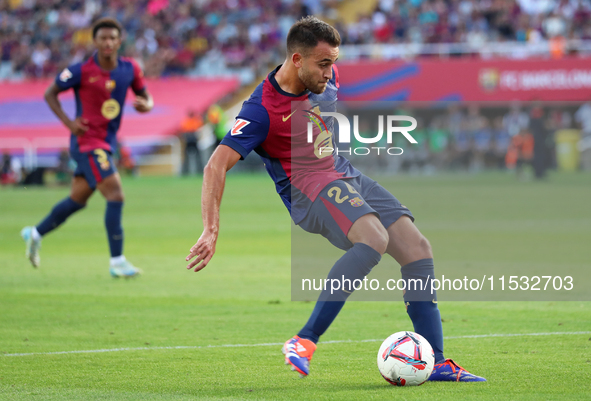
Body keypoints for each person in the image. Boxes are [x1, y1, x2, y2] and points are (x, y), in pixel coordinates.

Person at [185, 16, 485, 382]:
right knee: (374, 238)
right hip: (307, 190)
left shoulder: (326, 79)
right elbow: (215, 166)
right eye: (323, 64)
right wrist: (210, 228)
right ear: (297, 60)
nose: (330, 72)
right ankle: (304, 341)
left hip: (343, 173)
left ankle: (436, 361)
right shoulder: (261, 110)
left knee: (418, 249)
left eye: (334, 63)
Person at [20, 18, 153, 277]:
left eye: (112, 38)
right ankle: (117, 262)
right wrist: (69, 123)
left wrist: (146, 105)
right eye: (102, 38)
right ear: (95, 41)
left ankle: (34, 233)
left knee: (77, 200)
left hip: (107, 143)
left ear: (119, 40)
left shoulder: (130, 69)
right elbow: (50, 93)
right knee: (115, 194)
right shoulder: (81, 71)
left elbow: (146, 96)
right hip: (87, 143)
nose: (108, 43)